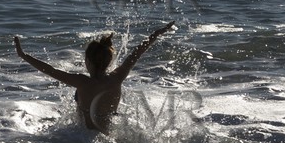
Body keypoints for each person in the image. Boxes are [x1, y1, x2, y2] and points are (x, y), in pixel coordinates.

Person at [12, 23, 175, 134]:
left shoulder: (82, 82)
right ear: (109, 61)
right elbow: (137, 53)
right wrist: (156, 34)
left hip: (83, 140)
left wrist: (24, 56)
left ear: (88, 62)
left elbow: (50, 70)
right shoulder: (116, 78)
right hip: (106, 137)